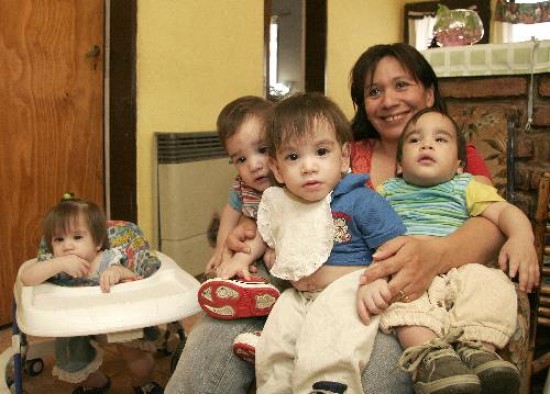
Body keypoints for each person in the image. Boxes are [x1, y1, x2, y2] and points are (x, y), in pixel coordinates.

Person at [166, 43, 538, 394]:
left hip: (381, 283)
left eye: (401, 85)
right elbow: (278, 198)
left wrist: (430, 257)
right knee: (218, 329)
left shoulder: (451, 152)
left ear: (428, 92)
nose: (389, 100)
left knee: (372, 353)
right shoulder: (333, 144)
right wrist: (247, 234)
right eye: (374, 92)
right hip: (293, 266)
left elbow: (489, 223)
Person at [357, 108, 538, 393]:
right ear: (401, 164)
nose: (427, 145)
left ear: (458, 165)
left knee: (492, 283)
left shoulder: (466, 187)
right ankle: (430, 359)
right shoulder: (386, 190)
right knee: (403, 301)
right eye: (415, 140)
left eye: (440, 140)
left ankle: (478, 349)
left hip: (460, 269)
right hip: (410, 272)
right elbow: (360, 224)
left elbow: (504, 212)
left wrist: (522, 237)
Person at [253, 92, 406, 394]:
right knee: (277, 337)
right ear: (277, 168)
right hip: (299, 294)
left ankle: (328, 386)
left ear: (345, 155)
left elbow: (398, 248)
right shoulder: (285, 204)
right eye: (293, 157)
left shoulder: (360, 200)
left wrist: (376, 277)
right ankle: (275, 386)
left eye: (321, 152)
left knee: (329, 337)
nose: (308, 166)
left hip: (350, 289)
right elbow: (279, 239)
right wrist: (273, 254)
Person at [20, 195, 164, 394]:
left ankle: (142, 383)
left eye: (77, 237)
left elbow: (134, 278)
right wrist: (58, 264)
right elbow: (26, 278)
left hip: (117, 320)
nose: (67, 245)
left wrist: (118, 272)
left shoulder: (107, 259)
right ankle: (97, 382)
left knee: (141, 364)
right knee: (73, 367)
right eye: (59, 239)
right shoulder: (55, 265)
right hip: (75, 323)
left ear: (97, 242)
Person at [197, 96, 282, 321]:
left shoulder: (286, 181)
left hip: (282, 246)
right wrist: (220, 249)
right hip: (255, 247)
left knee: (257, 234)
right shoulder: (242, 187)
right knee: (236, 249)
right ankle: (236, 286)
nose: (253, 165)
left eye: (262, 149)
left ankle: (245, 278)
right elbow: (229, 215)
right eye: (241, 159)